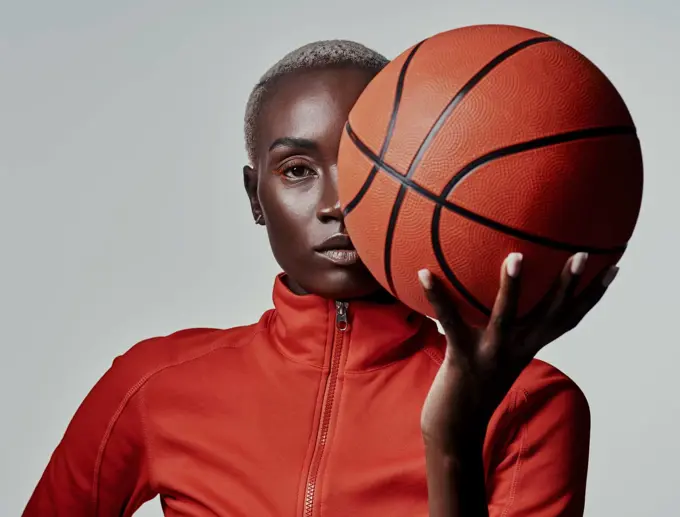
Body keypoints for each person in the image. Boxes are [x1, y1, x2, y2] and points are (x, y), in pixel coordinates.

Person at [24, 39, 618, 517]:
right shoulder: (153, 386)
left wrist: (453, 437)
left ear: (417, 181)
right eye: (298, 169)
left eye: (368, 166)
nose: (337, 203)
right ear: (255, 197)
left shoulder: (531, 405)